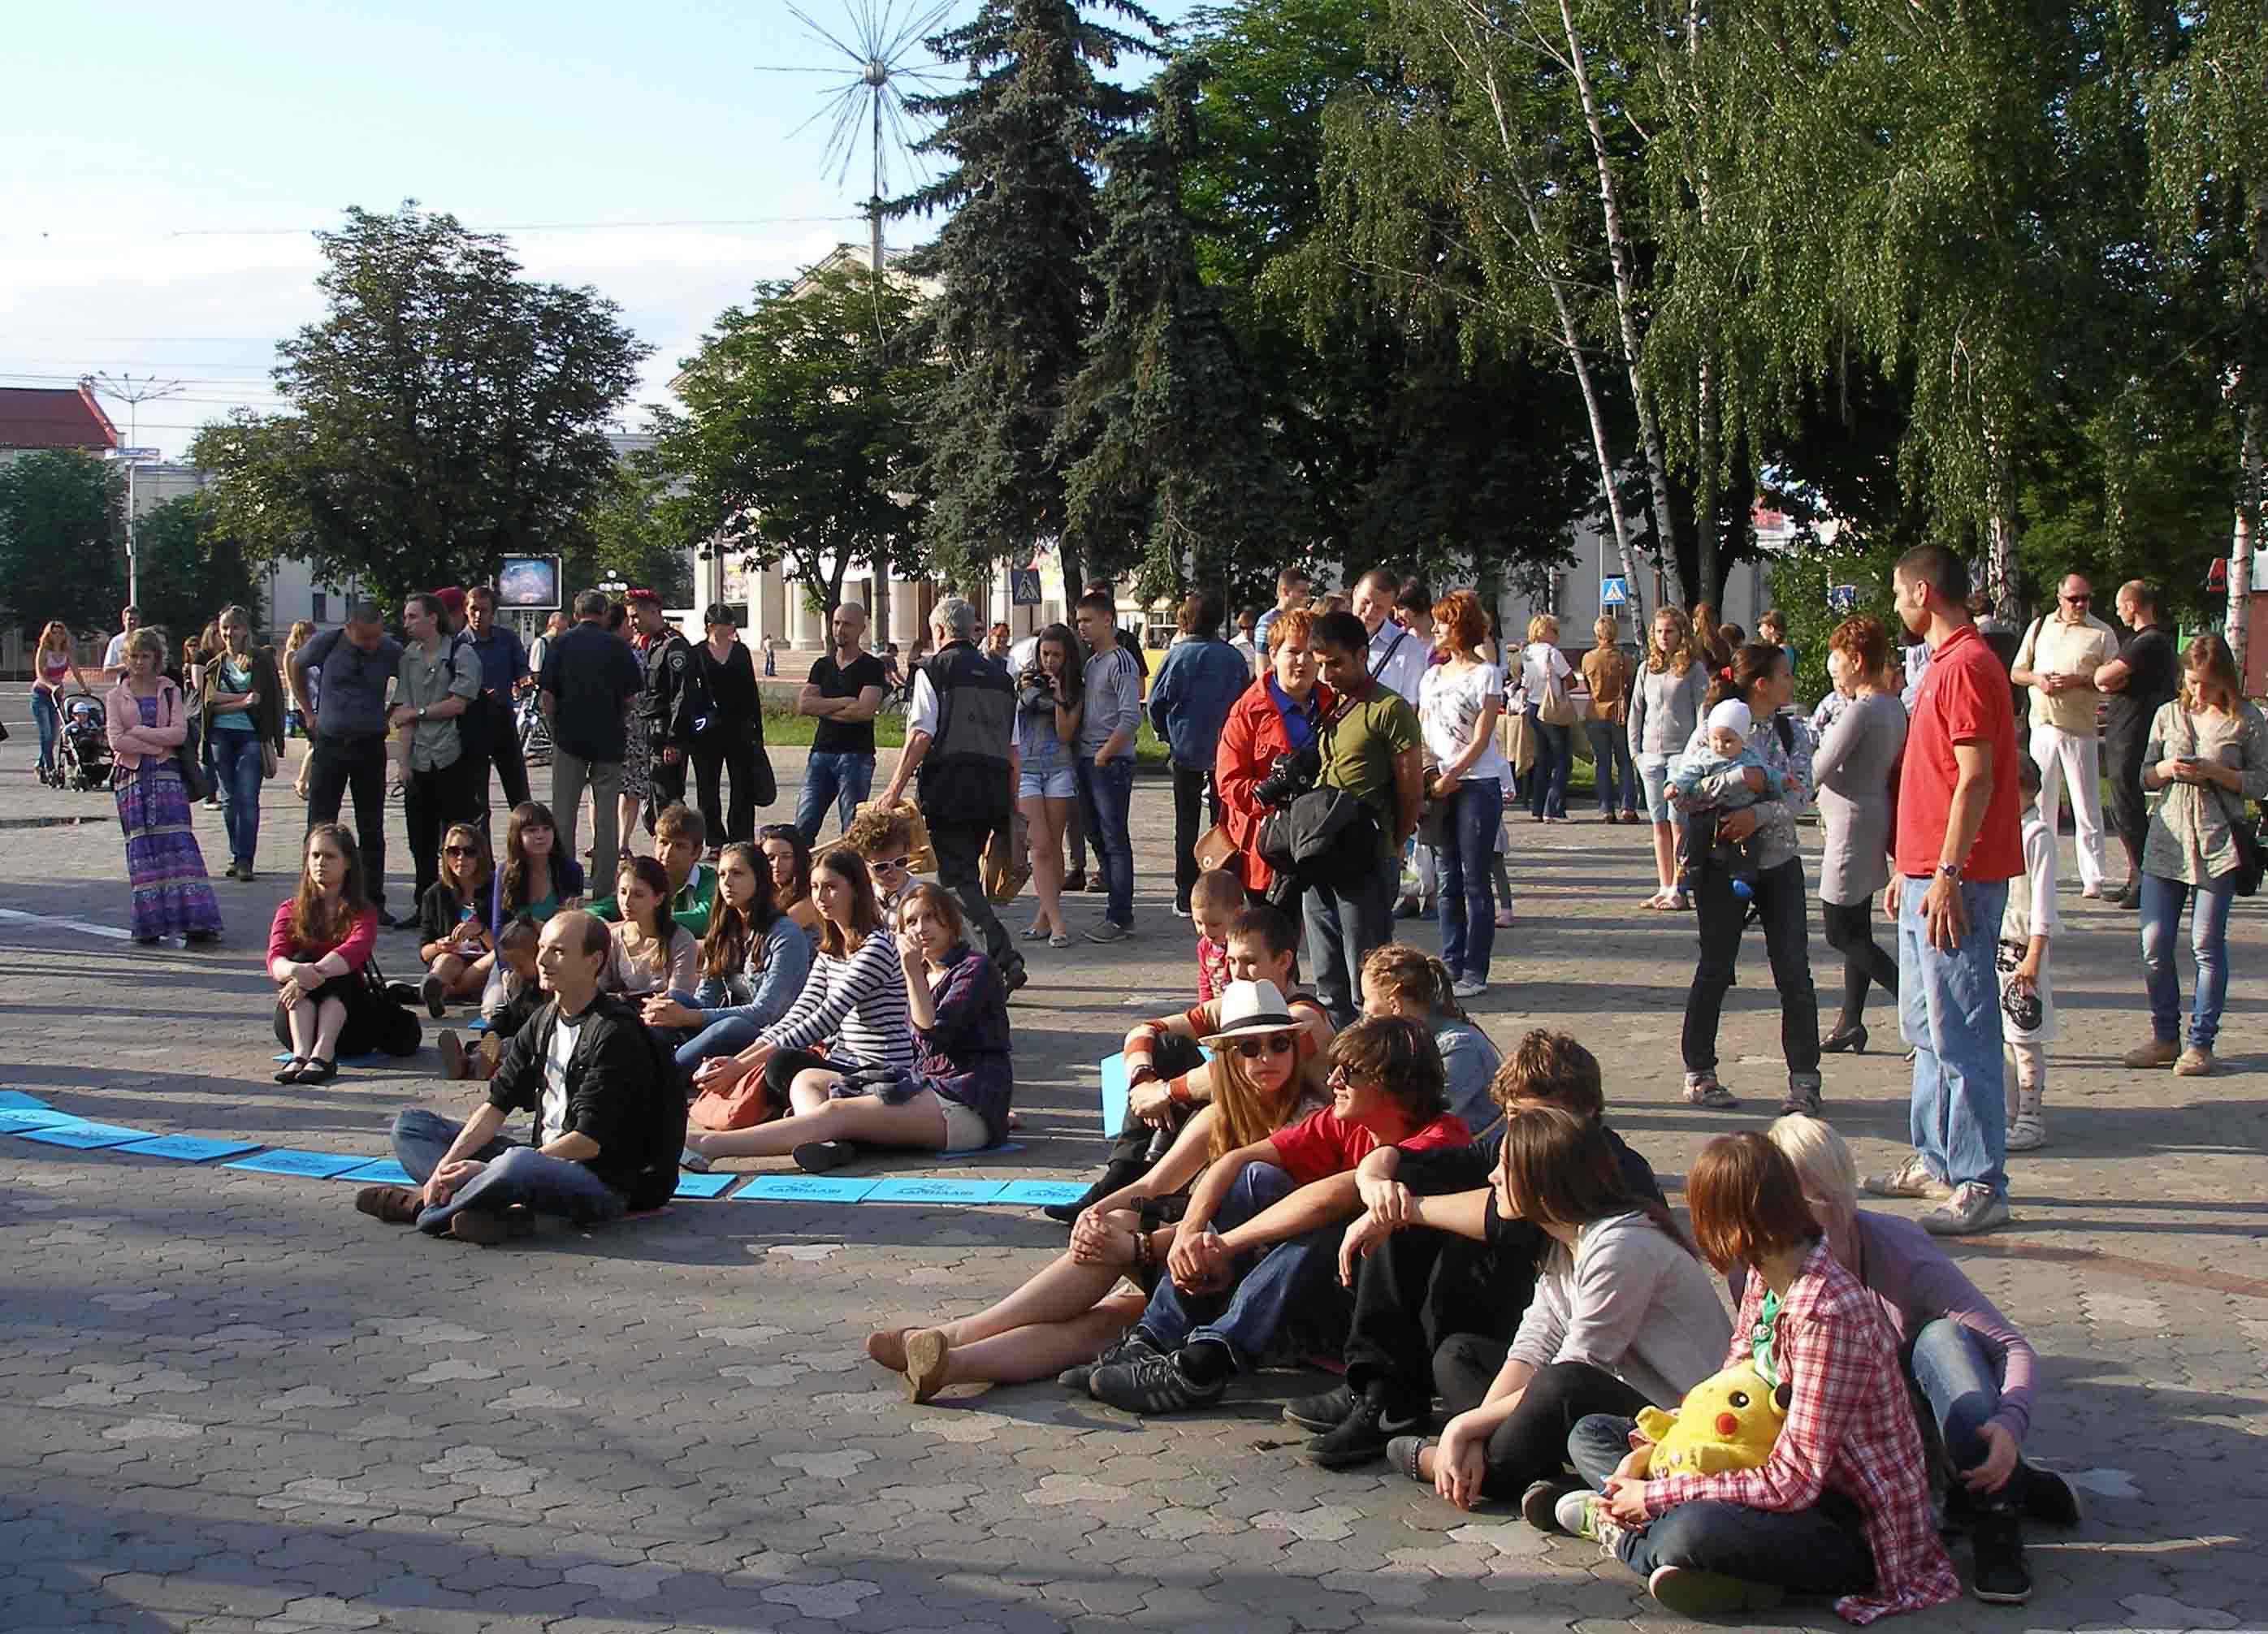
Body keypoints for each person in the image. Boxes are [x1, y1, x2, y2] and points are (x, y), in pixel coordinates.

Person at [1559, 1132, 1962, 1623]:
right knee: (1592, 1434)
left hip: (1844, 1522)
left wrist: (1654, 1494)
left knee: (1691, 1530)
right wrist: (1647, 1455)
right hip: (1750, 1462)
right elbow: (1726, 1391)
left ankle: (1623, 1533)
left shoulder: (1827, 1315)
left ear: (1732, 1222)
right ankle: (1695, 1557)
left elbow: (1793, 1482)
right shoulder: (1764, 1277)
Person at [864, 979, 1324, 1404]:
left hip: (1254, 1279)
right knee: (1112, 1256)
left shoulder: (1311, 1122)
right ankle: (947, 1358)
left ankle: (955, 1344)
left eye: (1279, 1044)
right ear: (1227, 1058)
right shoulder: (1219, 1115)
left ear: (1295, 1049)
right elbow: (1151, 1185)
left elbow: (1256, 1229)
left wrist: (1139, 1245)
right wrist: (1094, 1214)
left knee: (1106, 1317)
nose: (1266, 1057)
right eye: (1249, 1047)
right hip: (1197, 1267)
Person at [1730, 1117, 2080, 1602]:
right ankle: (1994, 1484)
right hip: (1840, 1434)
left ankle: (1997, 1513)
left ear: (1833, 1199)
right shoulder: (1755, 1264)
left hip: (1912, 1414)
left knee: (1943, 1340)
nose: (1775, 1224)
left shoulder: (1899, 1250)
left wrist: (2010, 1424)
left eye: (1797, 1204)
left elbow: (2010, 1347)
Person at [1289, 1030, 1660, 1470]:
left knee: (1410, 1221)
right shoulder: (1520, 1146)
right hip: (1546, 1343)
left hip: (1621, 1384)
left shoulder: (1616, 1173)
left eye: (1532, 1118)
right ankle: (1385, 1393)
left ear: (1582, 1113)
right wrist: (1375, 1181)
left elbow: (1507, 1223)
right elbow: (1423, 1163)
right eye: (1512, 1118)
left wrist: (1403, 1211)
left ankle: (1489, 1462)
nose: (1517, 1135)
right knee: (1455, 1356)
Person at [1084, 1016, 1472, 1416]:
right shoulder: (1348, 1121)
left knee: (1329, 1227)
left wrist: (1221, 1245)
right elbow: (1235, 1160)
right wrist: (1189, 1234)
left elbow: (1330, 1199)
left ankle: (1204, 1364)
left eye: (1347, 1074)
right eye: (1248, 1049)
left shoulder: (1440, 1142)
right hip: (1313, 1286)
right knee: (1255, 1177)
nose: (1332, 1081)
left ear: (1390, 1083)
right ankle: (1152, 1341)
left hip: (1396, 1318)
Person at [1387, 1105, 1729, 1515]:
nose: (1492, 1177)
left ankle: (1483, 1473)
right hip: (1608, 1399)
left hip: (1677, 1416)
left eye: (1505, 1167)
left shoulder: (1621, 1246)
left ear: (1543, 1183)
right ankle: (1514, 1469)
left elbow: (1581, 1365)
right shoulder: (1563, 1242)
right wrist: (1473, 1429)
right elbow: (1534, 1344)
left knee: (1562, 1382)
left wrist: (1463, 1426)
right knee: (1459, 1355)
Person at [356, 910, 686, 1245]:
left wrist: (487, 1169)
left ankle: (424, 1210)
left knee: (515, 1163)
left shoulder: (615, 1032)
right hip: (540, 1155)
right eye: (541, 948)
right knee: (411, 1126)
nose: (542, 960)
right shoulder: (541, 1017)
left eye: (558, 951)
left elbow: (588, 1141)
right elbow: (497, 1103)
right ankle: (488, 1209)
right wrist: (447, 1165)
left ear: (594, 961)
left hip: (603, 1182)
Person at [1868, 545, 2022, 1236]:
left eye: (1899, 592)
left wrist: (1950, 872)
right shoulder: (1940, 663)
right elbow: (1931, 778)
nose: (1896, 604)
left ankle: (1981, 1180)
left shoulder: (1965, 666)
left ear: (1924, 593)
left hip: (1958, 880)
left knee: (1963, 1034)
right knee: (1925, 1032)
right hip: (1924, 875)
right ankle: (1935, 1158)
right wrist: (1907, 868)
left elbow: (1976, 776)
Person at [684, 882, 1013, 1173]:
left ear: (951, 923)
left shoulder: (974, 969)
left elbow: (932, 1041)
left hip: (964, 1105)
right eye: (911, 922)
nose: (921, 929)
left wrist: (912, 973)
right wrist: (743, 1060)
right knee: (806, 1078)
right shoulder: (918, 970)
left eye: (930, 917)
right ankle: (829, 1144)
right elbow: (803, 1011)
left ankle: (711, 1146)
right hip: (923, 1087)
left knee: (835, 1111)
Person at [1672, 645, 1820, 1115]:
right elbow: (1684, 793)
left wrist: (1759, 814)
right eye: (1784, 675)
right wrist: (1737, 783)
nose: (1791, 682)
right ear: (1761, 684)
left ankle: (1804, 1079)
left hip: (1779, 862)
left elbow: (1802, 794)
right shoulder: (1715, 726)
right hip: (1722, 862)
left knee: (1794, 970)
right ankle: (1699, 1071)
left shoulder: (1793, 732)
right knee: (1716, 966)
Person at [684, 848, 916, 1138]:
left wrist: (740, 1065)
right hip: (843, 1061)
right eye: (815, 888)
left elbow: (825, 1018)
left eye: (831, 887)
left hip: (881, 1067)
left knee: (780, 1063)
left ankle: (824, 1128)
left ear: (856, 890)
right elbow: (801, 1011)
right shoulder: (831, 950)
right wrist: (740, 1060)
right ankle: (823, 1125)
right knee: (779, 1064)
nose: (820, 897)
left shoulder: (876, 947)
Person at [2126, 632, 2265, 1078]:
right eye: (2191, 682)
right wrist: (2166, 769)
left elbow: (2261, 781)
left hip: (2216, 843)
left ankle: (2201, 1042)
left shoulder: (2246, 720)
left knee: (2205, 944)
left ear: (2224, 678)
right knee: (2153, 943)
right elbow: (2144, 775)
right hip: (2167, 840)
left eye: (2206, 683)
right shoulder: (2169, 714)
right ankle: (2165, 1036)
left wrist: (2217, 773)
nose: (2198, 691)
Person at [875, 596, 1027, 992]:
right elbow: (1014, 749)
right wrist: (1012, 805)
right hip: (992, 789)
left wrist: (893, 789)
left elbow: (921, 734)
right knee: (965, 878)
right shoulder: (1000, 677)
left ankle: (1004, 958)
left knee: (958, 880)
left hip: (951, 787)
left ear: (940, 630)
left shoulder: (933, 670)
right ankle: (965, 963)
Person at [1302, 612, 1424, 1027]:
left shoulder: (1390, 709)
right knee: (1328, 984)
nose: (1326, 674)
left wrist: (1394, 843)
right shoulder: (1326, 705)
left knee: (1369, 985)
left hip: (1366, 862)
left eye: (1335, 663)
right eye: (1320, 664)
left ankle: (1377, 1055)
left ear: (1362, 655)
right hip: (1319, 858)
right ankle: (1339, 1057)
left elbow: (1411, 790)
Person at [1812, 616, 1907, 1056]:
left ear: (1854, 659)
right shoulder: (1892, 705)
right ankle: (1851, 1021)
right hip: (1869, 817)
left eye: (1837, 657)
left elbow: (1820, 765)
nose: (1834, 666)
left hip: (1850, 827)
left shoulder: (1861, 710)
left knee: (1840, 931)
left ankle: (1916, 1002)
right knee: (1858, 927)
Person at [644, 840, 812, 1083]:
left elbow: (765, 1012)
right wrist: (671, 1011)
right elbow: (705, 999)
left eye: (737, 874)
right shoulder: (725, 929)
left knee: (730, 1026)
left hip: (769, 1034)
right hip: (726, 1022)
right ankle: (643, 1061)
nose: (727, 882)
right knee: (673, 998)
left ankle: (662, 1075)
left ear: (759, 879)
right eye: (722, 874)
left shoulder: (785, 933)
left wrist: (687, 1017)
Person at [103, 627, 224, 945]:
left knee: (178, 843)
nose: (139, 662)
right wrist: (156, 742)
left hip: (167, 778)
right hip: (131, 780)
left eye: (145, 656)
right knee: (142, 847)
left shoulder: (170, 690)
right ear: (125, 659)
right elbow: (116, 741)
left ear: (156, 658)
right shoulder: (115, 696)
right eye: (134, 656)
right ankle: (150, 923)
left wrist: (140, 734)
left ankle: (197, 921)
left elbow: (179, 734)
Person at [268, 823, 416, 1080]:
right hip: (295, 1023)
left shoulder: (363, 911)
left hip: (351, 1026)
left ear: (347, 862)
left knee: (340, 972)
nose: (320, 863)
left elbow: (355, 949)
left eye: (330, 856)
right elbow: (275, 959)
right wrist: (296, 971)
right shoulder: (290, 909)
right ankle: (300, 1055)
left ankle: (323, 1056)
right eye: (315, 855)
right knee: (301, 960)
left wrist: (306, 980)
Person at [1418, 590, 1512, 997]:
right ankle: (1449, 964)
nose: (1436, 629)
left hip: (1476, 783)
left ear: (1460, 627)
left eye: (1443, 622)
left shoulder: (1486, 674)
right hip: (1439, 784)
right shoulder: (1431, 677)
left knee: (1475, 878)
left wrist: (1454, 773)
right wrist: (1429, 777)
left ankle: (1475, 970)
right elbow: (1422, 729)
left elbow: (1482, 736)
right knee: (1446, 878)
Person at [292, 603, 404, 924]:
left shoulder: (389, 649)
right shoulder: (327, 643)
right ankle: (312, 901)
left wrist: (389, 712)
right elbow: (296, 664)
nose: (372, 644)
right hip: (330, 745)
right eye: (365, 638)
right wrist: (308, 711)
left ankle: (373, 902)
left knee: (372, 827)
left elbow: (409, 677)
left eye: (377, 636)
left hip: (370, 747)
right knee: (319, 824)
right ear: (349, 628)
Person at [1214, 607, 1336, 903]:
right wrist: (1272, 792)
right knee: (1270, 929)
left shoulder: (1334, 704)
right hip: (1269, 849)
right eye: (1293, 652)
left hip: (1323, 841)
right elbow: (1229, 783)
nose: (1302, 661)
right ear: (1273, 653)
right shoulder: (1248, 711)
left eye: (1310, 653)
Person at [2010, 573, 2120, 898]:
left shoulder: (2101, 633)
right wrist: (2038, 680)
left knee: (2086, 805)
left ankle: (2094, 877)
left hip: (2079, 728)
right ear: (2060, 598)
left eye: (2086, 598)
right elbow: (2016, 672)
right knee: (2040, 803)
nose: (2081, 605)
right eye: (2074, 599)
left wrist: (2078, 680)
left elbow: (2113, 680)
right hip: (2043, 724)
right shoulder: (2039, 627)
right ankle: (2037, 870)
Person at [1149, 592, 1252, 919]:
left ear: (1185, 619)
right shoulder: (1233, 658)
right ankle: (1225, 888)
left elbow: (1156, 702)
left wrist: (1165, 734)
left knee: (1186, 822)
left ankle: (1185, 892)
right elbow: (1245, 701)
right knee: (1224, 823)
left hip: (1186, 747)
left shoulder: (1177, 655)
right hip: (1225, 750)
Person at [539, 590, 647, 892]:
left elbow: (547, 696)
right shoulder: (618, 647)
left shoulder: (560, 644)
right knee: (607, 816)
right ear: (604, 614)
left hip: (568, 739)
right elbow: (631, 699)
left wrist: (555, 728)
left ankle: (565, 886)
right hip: (609, 740)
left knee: (564, 813)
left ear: (576, 614)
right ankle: (603, 888)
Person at [389, 592, 483, 914]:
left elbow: (458, 704)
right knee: (420, 841)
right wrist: (403, 764)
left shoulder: (461, 652)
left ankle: (463, 907)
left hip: (454, 756)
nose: (407, 623)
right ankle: (425, 909)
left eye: (413, 616)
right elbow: (402, 714)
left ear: (433, 618)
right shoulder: (408, 658)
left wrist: (419, 712)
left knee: (459, 841)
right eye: (406, 617)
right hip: (419, 759)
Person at [2093, 580, 2182, 908]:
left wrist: (2109, 676)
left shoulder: (2148, 641)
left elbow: (2103, 678)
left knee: (2128, 805)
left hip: (2135, 730)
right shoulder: (2143, 641)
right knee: (2122, 805)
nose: (2118, 613)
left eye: (2120, 607)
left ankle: (2147, 880)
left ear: (2132, 606)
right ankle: (2136, 875)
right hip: (2127, 726)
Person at [1071, 590, 1142, 943]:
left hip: (1110, 763)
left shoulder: (1121, 662)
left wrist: (1104, 754)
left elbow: (1131, 717)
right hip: (1088, 759)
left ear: (1107, 620)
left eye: (1087, 620)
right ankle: (1115, 905)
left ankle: (1120, 916)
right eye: (1079, 621)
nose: (1082, 627)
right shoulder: (1093, 663)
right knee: (1096, 834)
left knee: (1115, 839)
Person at [1629, 607, 1712, 909]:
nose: (1664, 637)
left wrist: (1696, 755)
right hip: (1650, 755)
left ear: (1681, 634)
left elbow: (1702, 713)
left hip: (1681, 756)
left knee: (1679, 824)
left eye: (1670, 631)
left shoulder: (1694, 669)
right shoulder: (1646, 669)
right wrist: (1635, 753)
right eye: (1659, 631)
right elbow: (1636, 711)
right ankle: (1663, 885)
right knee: (1658, 822)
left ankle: (1679, 887)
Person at [199, 604, 284, 884]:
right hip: (220, 736)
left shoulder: (260, 660)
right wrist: (242, 701)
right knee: (227, 799)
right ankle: (236, 854)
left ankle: (245, 859)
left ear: (245, 629)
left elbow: (266, 699)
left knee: (247, 797)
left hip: (251, 736)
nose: (229, 633)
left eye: (235, 627)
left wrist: (275, 736)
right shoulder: (216, 664)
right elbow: (209, 704)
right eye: (225, 628)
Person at [795, 602, 886, 845]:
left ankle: (850, 870)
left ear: (861, 628)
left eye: (847, 624)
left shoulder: (872, 667)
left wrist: (823, 707)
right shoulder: (822, 666)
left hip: (856, 756)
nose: (840, 629)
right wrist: (845, 702)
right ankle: (801, 869)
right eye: (836, 623)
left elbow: (864, 711)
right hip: (821, 754)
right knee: (803, 827)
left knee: (852, 831)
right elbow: (804, 705)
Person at [1669, 700, 1783, 894]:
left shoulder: (1750, 756)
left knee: (1747, 841)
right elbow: (1688, 774)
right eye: (1715, 739)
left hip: (1741, 809)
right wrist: (1675, 786)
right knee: (1694, 834)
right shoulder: (1705, 756)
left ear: (1742, 739)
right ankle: (1688, 871)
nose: (1720, 745)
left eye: (1728, 741)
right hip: (1709, 809)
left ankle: (1743, 877)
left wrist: (1783, 781)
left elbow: (1768, 773)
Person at [1015, 622, 1083, 945]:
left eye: (1056, 655)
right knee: (1039, 846)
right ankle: (1058, 925)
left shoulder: (1074, 689)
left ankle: (1043, 920)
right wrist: (1026, 688)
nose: (1050, 662)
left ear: (1067, 656)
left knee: (1054, 847)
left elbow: (1065, 734)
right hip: (1027, 770)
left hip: (1058, 769)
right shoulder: (1024, 680)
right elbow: (1016, 715)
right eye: (1045, 654)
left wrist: (1057, 697)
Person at [690, 605, 765, 845]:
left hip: (739, 728)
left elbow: (751, 692)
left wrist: (758, 731)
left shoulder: (741, 652)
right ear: (711, 626)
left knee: (743, 786)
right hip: (707, 732)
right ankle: (714, 840)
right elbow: (690, 694)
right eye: (724, 623)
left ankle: (740, 838)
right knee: (707, 788)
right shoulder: (696, 653)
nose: (730, 627)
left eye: (731, 622)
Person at [461, 586, 533, 827]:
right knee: (478, 801)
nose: (478, 615)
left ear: (493, 613)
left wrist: (524, 680)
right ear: (465, 610)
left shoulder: (507, 639)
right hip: (472, 724)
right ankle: (481, 848)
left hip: (502, 719)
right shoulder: (459, 644)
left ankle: (526, 841)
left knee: (519, 794)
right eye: (473, 609)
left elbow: (521, 669)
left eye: (484, 610)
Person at [588, 802, 717, 937]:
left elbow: (704, 919)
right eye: (664, 843)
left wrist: (642, 922)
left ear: (697, 852)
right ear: (654, 842)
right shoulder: (644, 876)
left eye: (679, 846)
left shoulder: (708, 879)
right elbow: (593, 912)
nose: (668, 852)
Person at [438, 918, 543, 1081]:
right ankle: (468, 1062)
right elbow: (507, 1011)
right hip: (515, 1034)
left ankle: (485, 1065)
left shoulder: (551, 986)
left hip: (534, 1041)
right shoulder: (518, 981)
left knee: (511, 1047)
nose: (515, 969)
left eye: (520, 965)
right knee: (489, 1045)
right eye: (511, 964)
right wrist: (492, 1031)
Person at [627, 588, 697, 822]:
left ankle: (676, 841)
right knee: (655, 801)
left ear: (653, 612)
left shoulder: (674, 645)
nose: (632, 623)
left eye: (635, 616)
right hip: (651, 732)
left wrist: (674, 740)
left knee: (668, 800)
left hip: (666, 733)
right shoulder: (652, 644)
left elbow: (681, 695)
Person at [416, 822, 496, 1015]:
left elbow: (504, 945)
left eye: (469, 852)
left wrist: (480, 930)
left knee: (497, 956)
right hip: (454, 962)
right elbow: (425, 952)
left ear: (481, 855)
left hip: (487, 961)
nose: (461, 858)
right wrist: (439, 945)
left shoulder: (496, 889)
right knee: (447, 959)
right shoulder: (434, 894)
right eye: (453, 852)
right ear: (445, 856)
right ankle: (436, 988)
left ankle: (446, 992)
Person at [601, 854, 699, 1000]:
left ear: (659, 898)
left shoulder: (681, 940)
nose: (626, 902)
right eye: (623, 892)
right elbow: (598, 989)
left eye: (638, 895)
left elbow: (679, 997)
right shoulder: (612, 938)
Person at [491, 800, 587, 936]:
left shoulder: (571, 870)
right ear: (517, 836)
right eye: (532, 830)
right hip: (516, 945)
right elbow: (498, 929)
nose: (540, 836)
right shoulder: (505, 872)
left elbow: (576, 926)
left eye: (546, 829)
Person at [1581, 615, 1639, 823]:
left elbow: (1588, 686)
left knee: (1602, 763)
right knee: (1624, 762)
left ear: (1597, 633)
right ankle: (1628, 807)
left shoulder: (1588, 658)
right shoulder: (1625, 658)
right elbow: (1632, 685)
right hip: (1620, 714)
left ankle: (1606, 808)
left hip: (1596, 712)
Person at [1520, 614, 1575, 822]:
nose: (1557, 635)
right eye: (1554, 631)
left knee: (1542, 759)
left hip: (1533, 706)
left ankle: (1538, 806)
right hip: (1551, 709)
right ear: (1545, 631)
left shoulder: (1527, 653)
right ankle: (1554, 808)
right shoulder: (1552, 653)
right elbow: (1570, 679)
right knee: (1563, 760)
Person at [29, 619, 95, 783]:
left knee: (53, 734)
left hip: (57, 696)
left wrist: (84, 687)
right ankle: (50, 768)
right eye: (54, 633)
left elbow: (75, 671)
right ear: (49, 635)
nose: (57, 636)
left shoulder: (67, 652)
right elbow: (40, 674)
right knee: (46, 733)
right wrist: (51, 686)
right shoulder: (44, 650)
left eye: (60, 633)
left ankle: (40, 764)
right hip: (41, 694)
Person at [758, 821, 824, 944]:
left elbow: (774, 931)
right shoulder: (763, 890)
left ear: (798, 858)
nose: (777, 864)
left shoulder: (812, 895)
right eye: (770, 858)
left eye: (786, 857)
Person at [1251, 568, 1314, 664]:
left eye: (1308, 592)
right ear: (1285, 591)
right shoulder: (1267, 622)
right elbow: (1262, 667)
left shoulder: (1303, 620)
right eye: (1302, 592)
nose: (1307, 597)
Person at [280, 620, 316, 742]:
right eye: (309, 633)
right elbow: (291, 682)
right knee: (317, 741)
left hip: (316, 703)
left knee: (314, 743)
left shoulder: (313, 654)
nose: (313, 637)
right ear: (300, 635)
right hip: (301, 706)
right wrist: (305, 709)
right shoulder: (291, 655)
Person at [101, 604, 141, 681]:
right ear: (124, 621)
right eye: (130, 619)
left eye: (136, 619)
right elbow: (107, 669)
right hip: (124, 685)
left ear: (139, 621)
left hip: (145, 685)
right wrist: (126, 666)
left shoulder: (147, 640)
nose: (133, 622)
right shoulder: (116, 641)